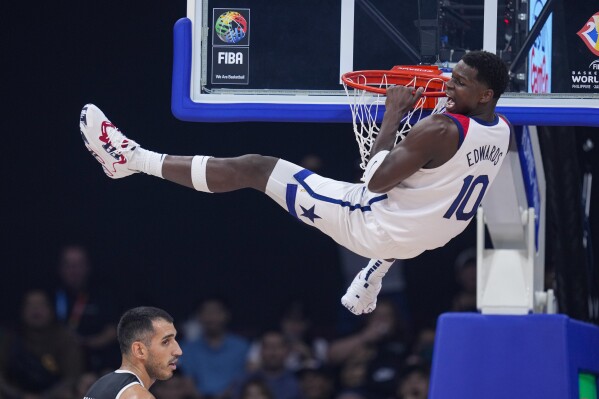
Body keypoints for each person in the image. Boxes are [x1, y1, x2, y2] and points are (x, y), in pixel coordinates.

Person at [79, 51, 511, 316]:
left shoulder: (439, 128)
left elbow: (376, 182)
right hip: (428, 236)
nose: (450, 86)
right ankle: (374, 273)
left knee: (256, 167)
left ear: (486, 94)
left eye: (460, 82)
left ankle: (130, 159)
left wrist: (393, 114)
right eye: (451, 76)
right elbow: (430, 189)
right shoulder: (502, 131)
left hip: (372, 224)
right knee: (419, 196)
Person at [0, 289, 84, 399]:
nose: (36, 310)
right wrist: (21, 396)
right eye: (30, 305)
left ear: (52, 310)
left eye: (41, 305)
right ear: (22, 311)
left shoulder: (65, 337)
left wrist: (44, 397)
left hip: (54, 395)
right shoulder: (10, 337)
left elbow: (72, 377)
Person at [84, 306, 183, 399]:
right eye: (165, 342)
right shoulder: (138, 396)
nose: (178, 351)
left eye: (174, 340)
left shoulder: (101, 384)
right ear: (139, 350)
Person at [53, 244, 120, 372]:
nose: (73, 270)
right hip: (57, 361)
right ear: (60, 268)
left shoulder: (103, 295)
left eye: (79, 264)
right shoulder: (49, 295)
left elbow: (113, 331)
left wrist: (83, 343)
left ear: (88, 267)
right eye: (68, 264)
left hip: (99, 361)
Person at [179, 298, 250, 398]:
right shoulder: (187, 348)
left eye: (216, 312)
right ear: (199, 317)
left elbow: (243, 380)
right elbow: (187, 381)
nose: (211, 317)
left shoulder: (241, 347)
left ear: (226, 315)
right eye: (206, 312)